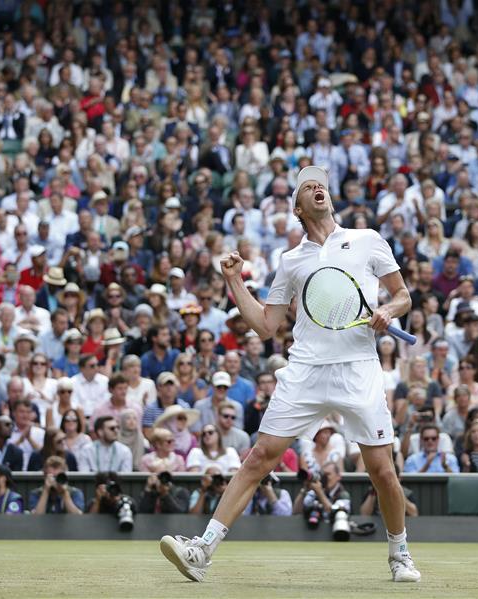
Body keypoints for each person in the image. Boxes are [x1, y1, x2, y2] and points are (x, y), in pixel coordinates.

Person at [160, 166, 421, 583]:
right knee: (259, 458)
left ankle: (399, 553)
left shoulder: (369, 240)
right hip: (304, 371)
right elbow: (266, 325)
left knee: (382, 471)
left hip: (358, 370)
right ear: (298, 208)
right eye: (308, 187)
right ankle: (201, 550)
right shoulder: (291, 260)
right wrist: (234, 281)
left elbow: (403, 295)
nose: (318, 187)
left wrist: (388, 310)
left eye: (322, 183)